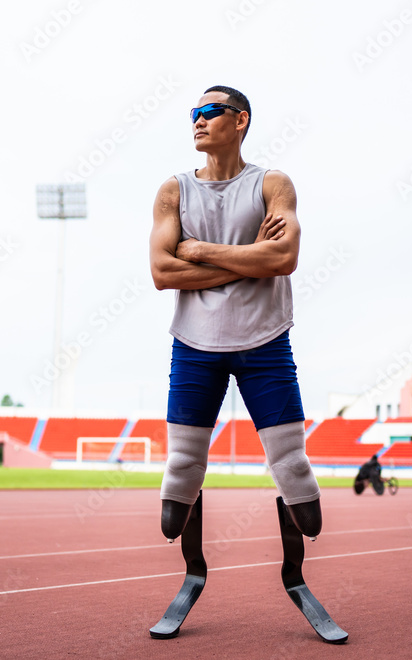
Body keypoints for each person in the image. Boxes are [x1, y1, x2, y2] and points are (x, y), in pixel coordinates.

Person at [149, 85, 323, 540]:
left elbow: (283, 259)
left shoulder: (272, 184)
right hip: (194, 344)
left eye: (210, 111)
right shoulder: (175, 190)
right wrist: (250, 259)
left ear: (240, 120)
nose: (198, 120)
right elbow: (163, 271)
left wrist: (202, 250)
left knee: (293, 466)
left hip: (265, 341)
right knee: (182, 466)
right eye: (194, 113)